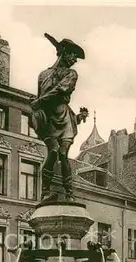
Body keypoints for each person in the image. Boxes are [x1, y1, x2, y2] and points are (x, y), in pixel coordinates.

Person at [29, 33, 88, 202]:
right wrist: (36, 104)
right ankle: (45, 192)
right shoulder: (43, 75)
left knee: (63, 154)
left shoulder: (72, 74)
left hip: (64, 116)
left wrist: (38, 102)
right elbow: (41, 95)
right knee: (53, 152)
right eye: (73, 55)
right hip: (48, 118)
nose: (75, 60)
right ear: (63, 53)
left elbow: (60, 91)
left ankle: (69, 193)